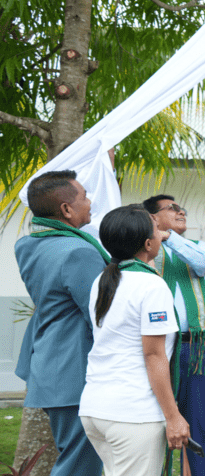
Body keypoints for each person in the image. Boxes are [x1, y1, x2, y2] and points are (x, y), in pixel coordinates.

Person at [79, 205, 190, 475]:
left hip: (96, 409)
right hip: (132, 414)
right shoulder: (151, 286)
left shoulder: (104, 280)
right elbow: (154, 356)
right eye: (156, 229)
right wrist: (173, 416)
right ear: (148, 243)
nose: (161, 233)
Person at [14, 171, 106, 476]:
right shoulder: (79, 251)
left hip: (49, 365)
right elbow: (101, 315)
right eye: (83, 196)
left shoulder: (30, 245)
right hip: (74, 368)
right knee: (81, 463)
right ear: (66, 209)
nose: (90, 202)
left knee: (77, 457)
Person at [143, 194, 205, 476]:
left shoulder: (198, 248)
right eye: (171, 208)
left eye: (182, 208)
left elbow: (204, 264)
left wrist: (169, 236)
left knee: (198, 424)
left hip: (196, 348)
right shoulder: (145, 250)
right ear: (152, 217)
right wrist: (156, 238)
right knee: (157, 421)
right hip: (159, 349)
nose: (180, 211)